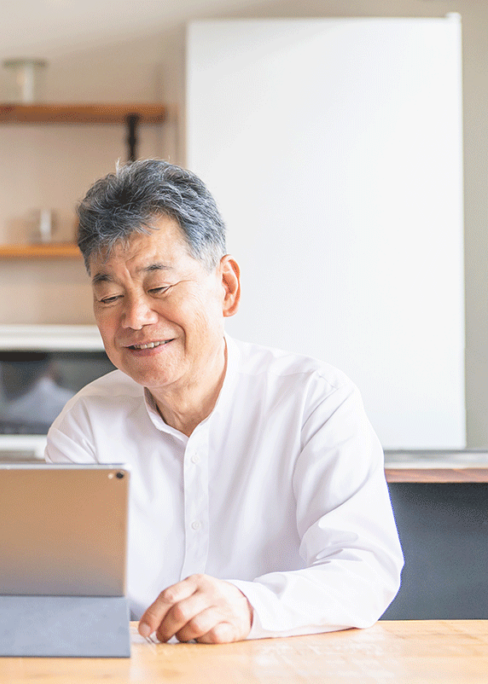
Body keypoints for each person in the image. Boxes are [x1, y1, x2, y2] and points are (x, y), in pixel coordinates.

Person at [45, 159, 403, 643]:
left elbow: (365, 570)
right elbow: (59, 587)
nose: (135, 317)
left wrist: (249, 606)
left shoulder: (313, 400)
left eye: (159, 287)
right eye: (110, 297)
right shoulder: (86, 422)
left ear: (226, 288)